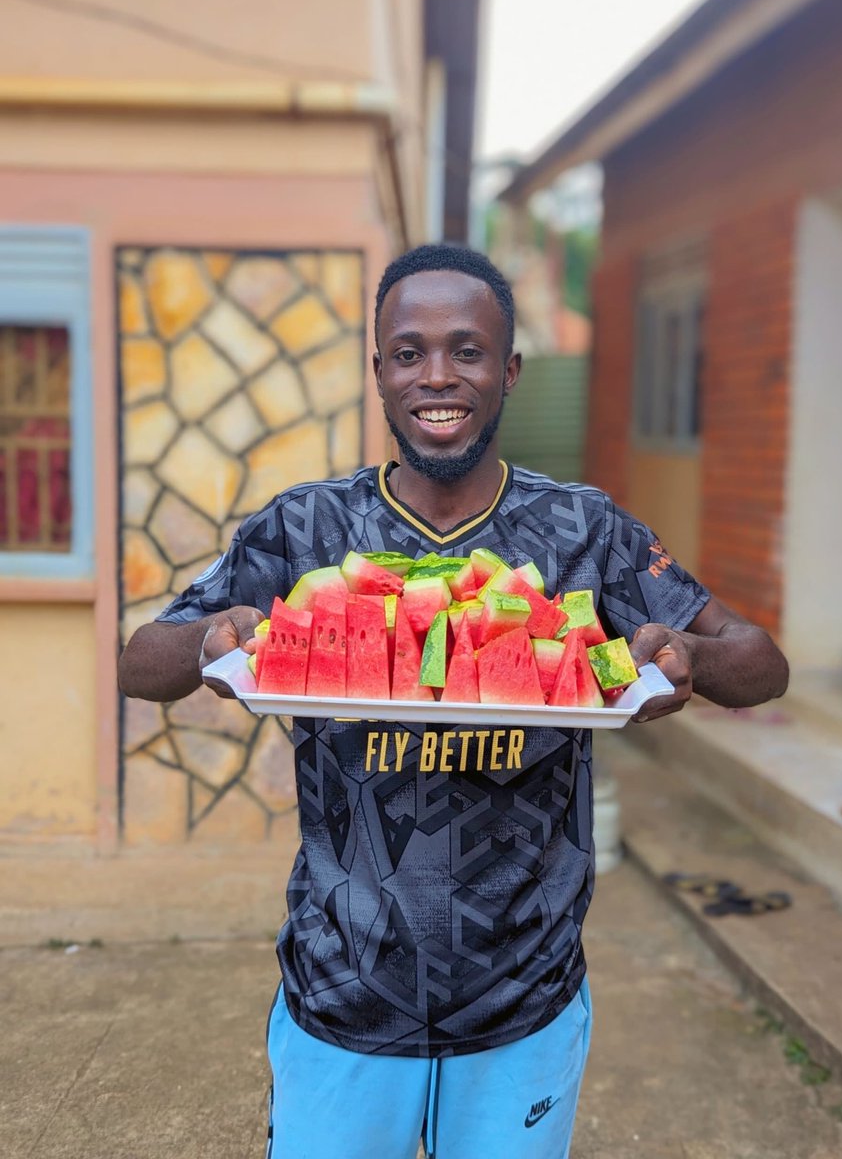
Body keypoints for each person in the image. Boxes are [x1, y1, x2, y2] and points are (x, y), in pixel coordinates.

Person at [119, 244, 789, 1159]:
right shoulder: (305, 527)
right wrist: (214, 638)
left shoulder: (584, 529)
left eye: (468, 351)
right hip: (344, 986)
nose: (439, 376)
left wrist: (686, 661)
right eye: (410, 352)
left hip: (526, 992)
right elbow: (138, 663)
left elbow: (761, 660)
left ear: (508, 370)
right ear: (381, 373)